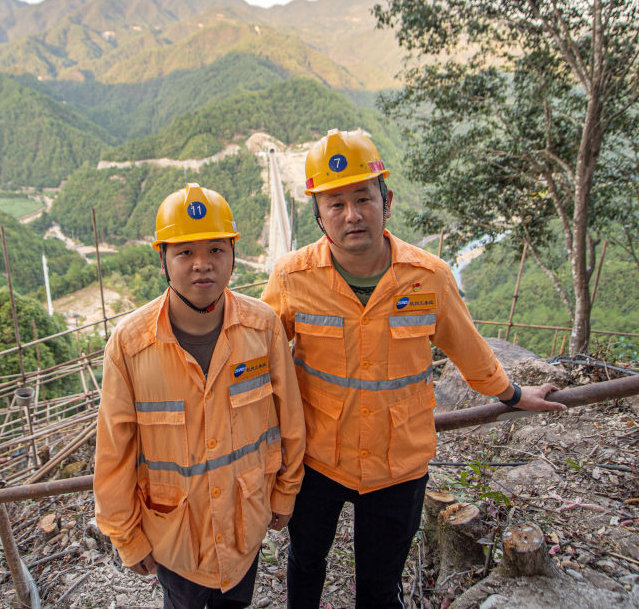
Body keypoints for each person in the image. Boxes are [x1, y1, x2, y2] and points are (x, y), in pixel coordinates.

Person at [262, 129, 567, 608]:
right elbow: (261, 358)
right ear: (319, 216)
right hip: (317, 457)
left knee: (380, 587)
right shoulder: (291, 278)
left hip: (397, 464)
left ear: (387, 201)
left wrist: (512, 395)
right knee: (305, 564)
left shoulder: (430, 278)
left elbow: (470, 351)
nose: (352, 214)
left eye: (363, 198)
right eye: (335, 203)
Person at [95, 183, 306, 609]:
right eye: (185, 253)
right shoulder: (131, 346)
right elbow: (114, 452)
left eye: (215, 250)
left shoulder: (261, 328)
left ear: (232, 255)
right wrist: (126, 536)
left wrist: (286, 492)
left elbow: (290, 421)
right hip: (175, 538)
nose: (202, 265)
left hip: (245, 526)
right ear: (163, 260)